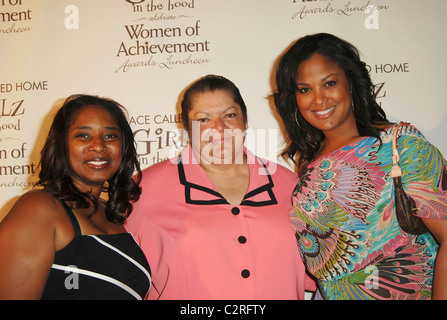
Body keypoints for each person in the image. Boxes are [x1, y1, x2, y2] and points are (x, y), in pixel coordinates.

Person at [273, 32, 447, 300]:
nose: (318, 100)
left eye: (329, 83)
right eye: (305, 89)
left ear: (351, 84)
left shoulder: (401, 145)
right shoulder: (308, 162)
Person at [125, 74, 315, 299]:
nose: (219, 127)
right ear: (186, 128)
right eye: (203, 119)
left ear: (245, 122)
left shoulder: (292, 186)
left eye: (230, 115)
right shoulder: (143, 190)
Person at [0, 94, 151, 300]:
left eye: (110, 136)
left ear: (123, 147)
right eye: (83, 136)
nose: (98, 146)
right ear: (61, 144)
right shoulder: (39, 208)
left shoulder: (111, 214)